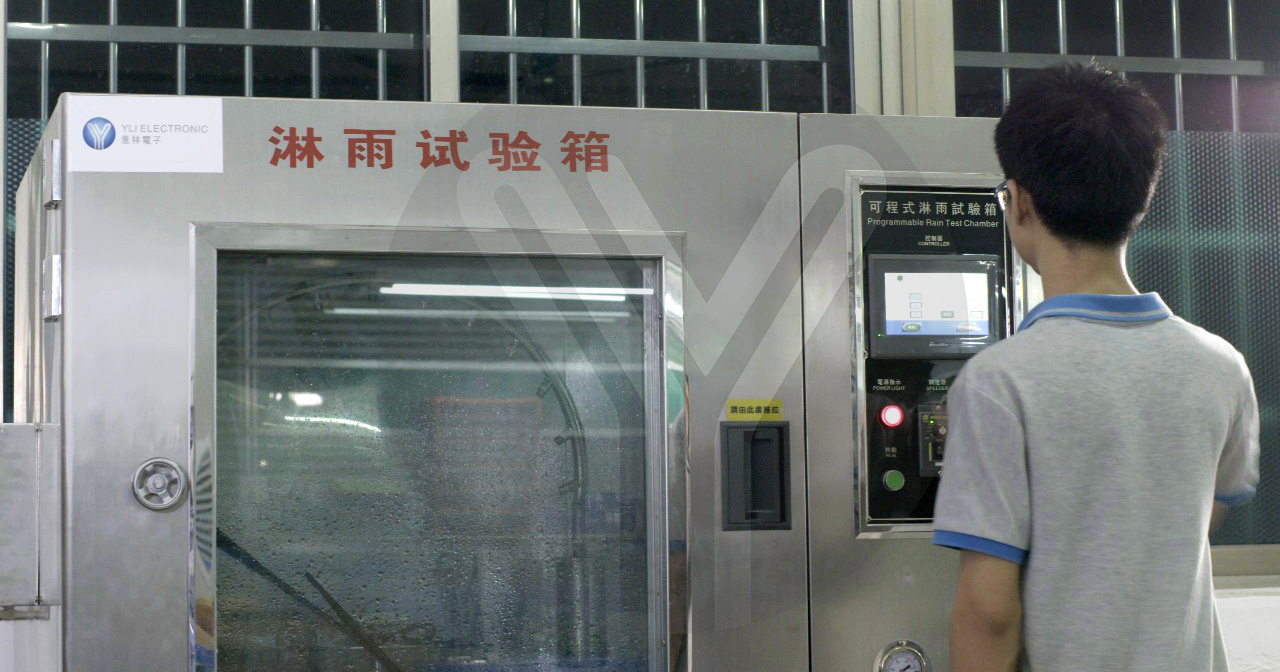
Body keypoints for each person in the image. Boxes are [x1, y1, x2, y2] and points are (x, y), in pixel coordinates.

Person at [932, 62, 1261, 672]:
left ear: (1019, 202)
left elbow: (989, 614)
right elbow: (1199, 517)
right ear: (1141, 199)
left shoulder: (998, 383)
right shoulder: (1222, 367)